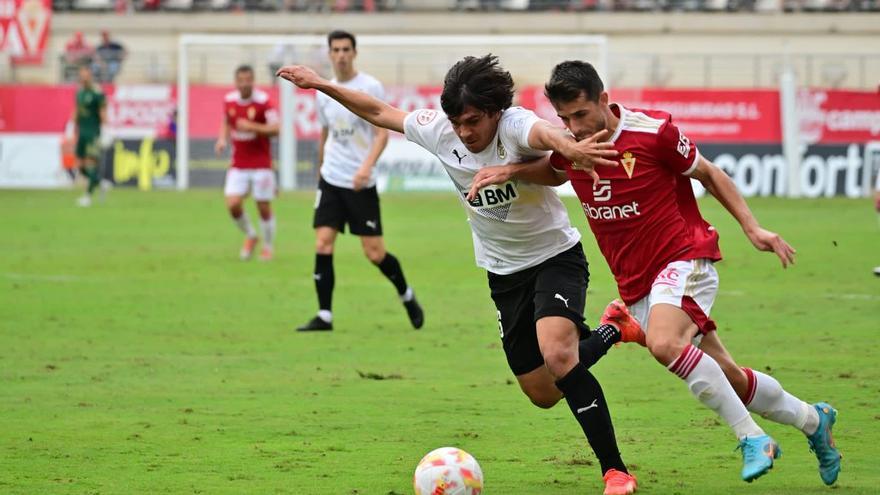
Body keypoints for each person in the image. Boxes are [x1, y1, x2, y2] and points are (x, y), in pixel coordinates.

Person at [278, 55, 641, 495]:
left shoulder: (513, 126)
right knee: (543, 392)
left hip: (554, 257)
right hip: (503, 275)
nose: (465, 132)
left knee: (559, 356)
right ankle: (612, 331)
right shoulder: (440, 130)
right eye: (457, 122)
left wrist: (561, 147)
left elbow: (544, 134)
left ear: (494, 112)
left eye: (472, 121)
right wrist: (319, 83)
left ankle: (615, 472)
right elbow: (378, 111)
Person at [469, 60, 842, 485]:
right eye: (566, 119)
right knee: (730, 378)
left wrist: (752, 227)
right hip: (639, 286)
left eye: (582, 114)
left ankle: (752, 437)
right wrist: (510, 170)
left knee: (665, 344)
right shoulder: (573, 149)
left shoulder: (653, 133)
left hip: (686, 257)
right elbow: (553, 170)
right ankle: (815, 421)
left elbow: (709, 172)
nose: (575, 127)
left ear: (604, 101)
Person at [294, 31, 424, 333]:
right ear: (329, 54)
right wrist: (321, 169)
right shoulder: (322, 91)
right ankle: (324, 315)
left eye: (345, 49)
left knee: (374, 253)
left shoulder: (369, 86)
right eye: (335, 49)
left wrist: (366, 166)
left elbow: (381, 132)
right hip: (331, 179)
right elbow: (325, 134)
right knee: (323, 242)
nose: (340, 54)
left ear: (354, 53)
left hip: (360, 182)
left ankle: (406, 294)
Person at [215, 65, 280, 261]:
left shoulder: (263, 102)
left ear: (253, 80)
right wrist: (222, 139)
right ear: (236, 82)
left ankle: (268, 246)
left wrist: (252, 126)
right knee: (233, 204)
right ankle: (252, 235)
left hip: (261, 162)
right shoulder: (229, 100)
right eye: (241, 80)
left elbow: (276, 129)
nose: (244, 84)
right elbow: (227, 120)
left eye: (248, 80)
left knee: (263, 206)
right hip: (238, 162)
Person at [71, 64, 106, 207]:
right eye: (81, 74)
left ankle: (88, 197)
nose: (83, 76)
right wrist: (71, 126)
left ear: (90, 75)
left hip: (93, 133)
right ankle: (100, 183)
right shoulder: (79, 93)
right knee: (80, 165)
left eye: (85, 73)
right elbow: (77, 112)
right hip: (82, 132)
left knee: (91, 163)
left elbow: (103, 113)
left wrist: (106, 130)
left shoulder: (97, 93)